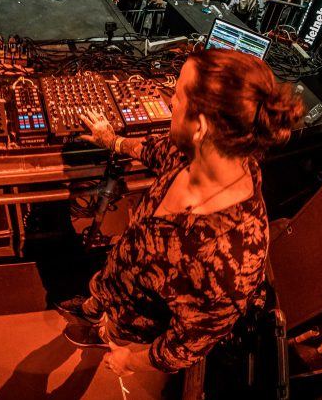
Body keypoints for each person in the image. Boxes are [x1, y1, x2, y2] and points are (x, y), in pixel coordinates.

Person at [58, 48, 304, 378]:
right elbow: (152, 150)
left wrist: (129, 360)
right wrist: (112, 141)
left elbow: (184, 347)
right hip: (114, 280)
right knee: (97, 297)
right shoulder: (196, 151)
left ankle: (103, 336)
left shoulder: (232, 262)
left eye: (176, 94)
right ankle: (93, 309)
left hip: (132, 326)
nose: (170, 101)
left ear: (200, 127)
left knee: (109, 337)